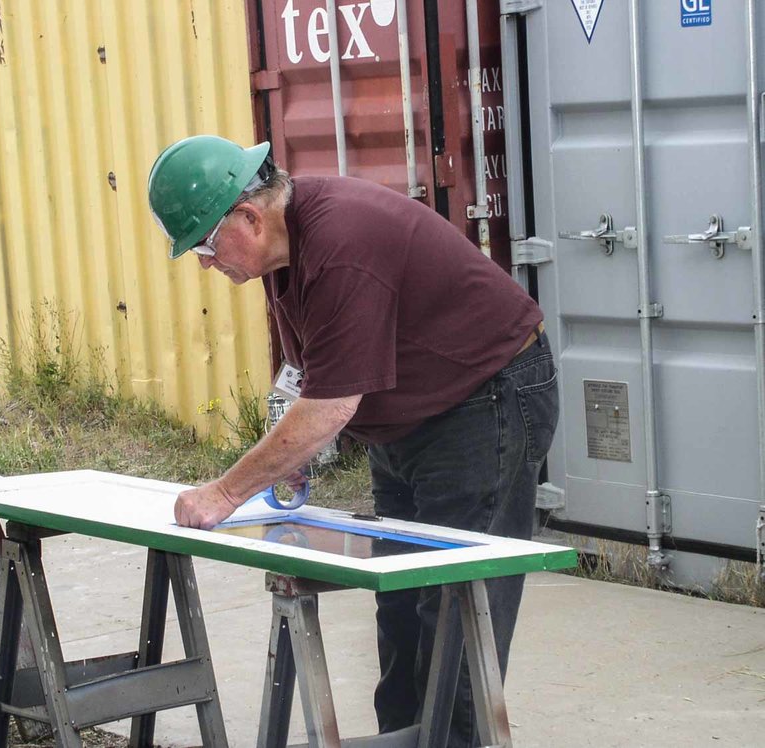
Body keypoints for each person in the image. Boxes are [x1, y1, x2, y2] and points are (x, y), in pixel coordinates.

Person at [148, 134, 559, 744]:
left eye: (205, 245)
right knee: (399, 604)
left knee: (452, 617)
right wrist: (291, 456)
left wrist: (226, 493)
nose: (206, 263)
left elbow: (331, 405)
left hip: (485, 403)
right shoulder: (283, 254)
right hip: (411, 422)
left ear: (247, 216)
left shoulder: (340, 240)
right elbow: (312, 370)